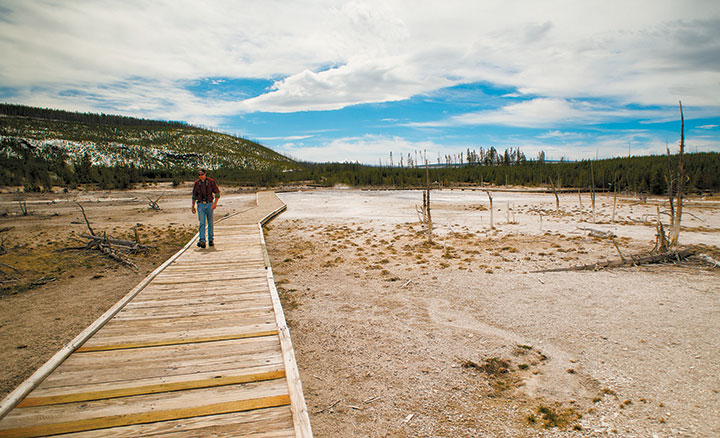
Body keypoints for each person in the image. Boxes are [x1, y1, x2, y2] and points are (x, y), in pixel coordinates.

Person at [191, 168, 220, 248]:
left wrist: (215, 203)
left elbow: (217, 193)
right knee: (202, 223)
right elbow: (194, 195)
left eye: (202, 174)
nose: (200, 176)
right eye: (199, 175)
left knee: (210, 222)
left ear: (205, 174)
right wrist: (193, 206)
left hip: (209, 204)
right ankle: (202, 240)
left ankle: (211, 239)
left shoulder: (211, 182)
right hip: (200, 205)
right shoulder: (197, 183)